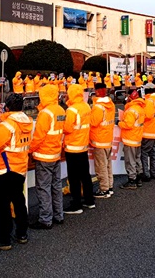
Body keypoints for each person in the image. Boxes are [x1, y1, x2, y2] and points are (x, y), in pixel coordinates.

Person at [0, 93, 33, 250]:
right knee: (19, 202)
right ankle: (22, 233)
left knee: (3, 206)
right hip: (20, 168)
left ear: (6, 107)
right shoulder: (28, 121)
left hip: (4, 171)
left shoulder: (6, 125)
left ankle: (4, 239)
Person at [29, 85, 65, 229]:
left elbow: (38, 137)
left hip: (44, 155)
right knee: (56, 186)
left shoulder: (45, 113)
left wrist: (30, 150)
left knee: (43, 188)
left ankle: (45, 219)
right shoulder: (60, 110)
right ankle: (59, 215)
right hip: (55, 153)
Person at [63, 84, 94, 214]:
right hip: (83, 145)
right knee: (85, 175)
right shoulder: (86, 106)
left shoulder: (71, 110)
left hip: (72, 147)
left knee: (74, 177)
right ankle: (89, 200)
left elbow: (67, 129)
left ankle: (76, 204)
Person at [89, 83, 116, 198]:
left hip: (99, 140)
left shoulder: (98, 107)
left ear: (96, 92)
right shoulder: (111, 104)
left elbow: (93, 122)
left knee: (101, 166)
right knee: (108, 165)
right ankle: (109, 187)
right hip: (108, 139)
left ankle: (104, 189)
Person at [118, 89, 146, 189]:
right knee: (137, 159)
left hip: (130, 138)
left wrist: (119, 123)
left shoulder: (131, 110)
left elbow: (128, 125)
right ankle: (138, 178)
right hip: (137, 137)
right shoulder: (140, 108)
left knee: (130, 161)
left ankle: (132, 180)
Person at [141, 83, 155, 181]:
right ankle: (154, 172)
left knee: (144, 153)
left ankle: (146, 174)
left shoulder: (149, 101)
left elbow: (148, 115)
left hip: (147, 130)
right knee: (153, 152)